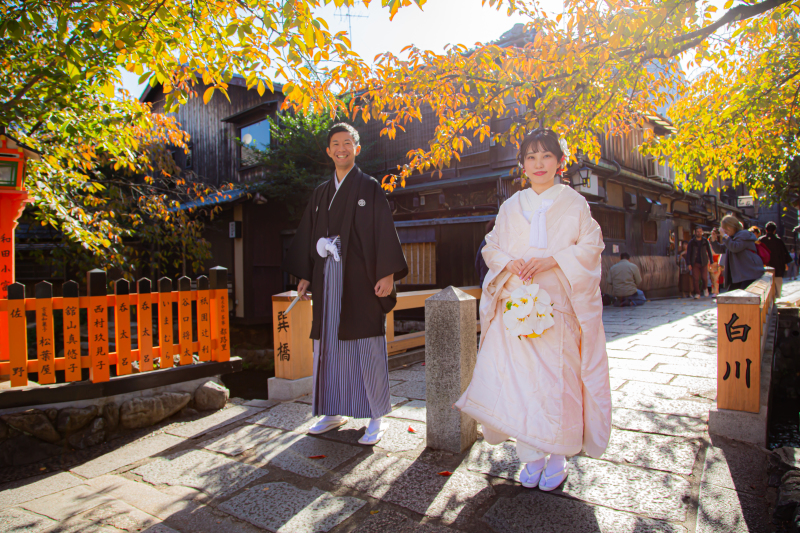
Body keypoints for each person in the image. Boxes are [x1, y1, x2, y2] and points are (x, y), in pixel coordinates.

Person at [455, 128, 611, 492]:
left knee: (557, 383)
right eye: (531, 157)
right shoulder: (511, 206)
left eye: (546, 156)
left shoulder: (574, 203)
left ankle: (557, 456)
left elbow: (592, 245)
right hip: (516, 308)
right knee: (520, 381)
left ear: (560, 162)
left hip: (558, 306)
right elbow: (491, 246)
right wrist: (510, 264)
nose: (538, 164)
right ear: (522, 164)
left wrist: (551, 260)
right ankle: (531, 457)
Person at [282, 123, 408, 446]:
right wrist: (307, 273)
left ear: (357, 148)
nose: (341, 148)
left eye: (347, 143)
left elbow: (382, 230)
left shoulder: (369, 187)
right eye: (335, 144)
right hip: (327, 278)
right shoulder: (321, 193)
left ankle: (376, 414)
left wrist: (387, 273)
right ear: (328, 151)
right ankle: (333, 410)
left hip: (360, 280)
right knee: (329, 347)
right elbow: (310, 235)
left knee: (366, 344)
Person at [711, 215, 765, 291]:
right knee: (731, 297)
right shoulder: (732, 238)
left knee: (741, 298)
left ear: (729, 227)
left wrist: (725, 236)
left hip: (749, 274)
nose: (725, 232)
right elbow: (721, 249)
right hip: (740, 275)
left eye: (725, 230)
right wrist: (714, 241)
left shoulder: (744, 235)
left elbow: (735, 247)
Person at [758, 221, 793, 296]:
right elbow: (784, 253)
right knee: (778, 285)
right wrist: (785, 264)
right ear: (775, 230)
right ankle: (777, 298)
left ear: (766, 230)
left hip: (764, 267)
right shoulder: (778, 241)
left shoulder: (760, 240)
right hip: (777, 267)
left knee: (766, 288)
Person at [686, 226, 714, 298]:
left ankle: (705, 288)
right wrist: (688, 263)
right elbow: (688, 253)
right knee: (695, 278)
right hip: (695, 262)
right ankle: (697, 293)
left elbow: (709, 251)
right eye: (697, 231)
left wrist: (711, 261)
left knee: (704, 278)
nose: (699, 233)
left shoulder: (705, 241)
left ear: (702, 232)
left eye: (700, 231)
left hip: (704, 262)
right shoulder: (692, 242)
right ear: (695, 232)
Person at [474, 217, 496, 287]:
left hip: (485, 283)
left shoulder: (484, 243)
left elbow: (477, 264)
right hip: (491, 284)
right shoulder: (489, 244)